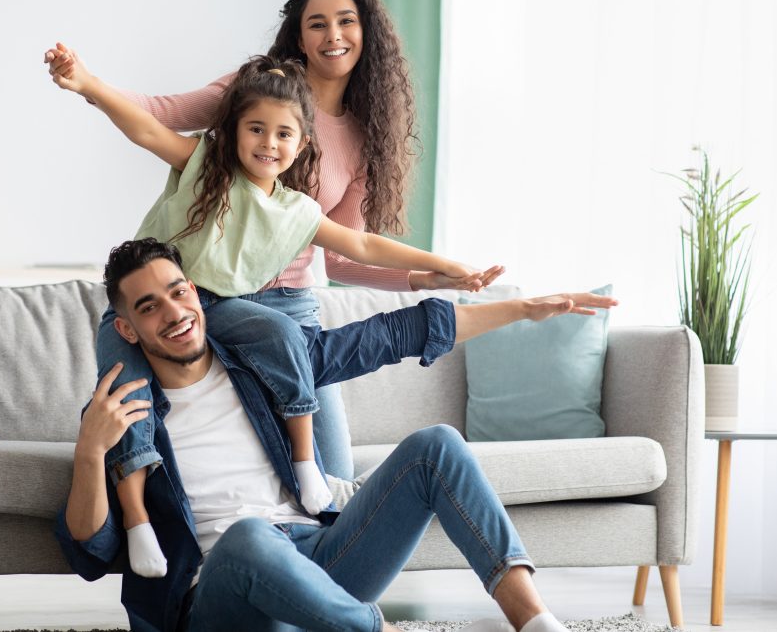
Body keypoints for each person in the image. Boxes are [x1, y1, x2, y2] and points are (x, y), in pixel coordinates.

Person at [45, 51, 502, 579]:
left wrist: (442, 265)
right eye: (256, 129)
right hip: (154, 311)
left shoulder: (297, 211)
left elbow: (361, 243)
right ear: (234, 132)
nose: (268, 143)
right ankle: (138, 520)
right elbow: (147, 131)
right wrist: (88, 85)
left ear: (302, 143)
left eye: (283, 134)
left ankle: (307, 464)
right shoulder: (202, 168)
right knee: (126, 399)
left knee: (285, 333)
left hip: (219, 311)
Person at [56, 237, 618, 632]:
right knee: (251, 537)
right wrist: (89, 451)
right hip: (220, 593)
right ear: (127, 329)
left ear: (200, 296)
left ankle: (535, 621)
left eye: (179, 293)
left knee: (437, 446)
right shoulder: (123, 412)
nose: (174, 313)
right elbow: (92, 551)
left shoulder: (264, 365)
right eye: (150, 307)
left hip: (321, 558)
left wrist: (519, 309)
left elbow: (391, 334)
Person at [45, 0, 471, 483]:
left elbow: (345, 254)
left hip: (290, 308)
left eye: (345, 22)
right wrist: (86, 83)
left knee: (332, 475)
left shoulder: (363, 137)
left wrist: (427, 277)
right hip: (211, 297)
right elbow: (158, 119)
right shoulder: (254, 91)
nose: (333, 35)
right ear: (299, 36)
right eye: (318, 24)